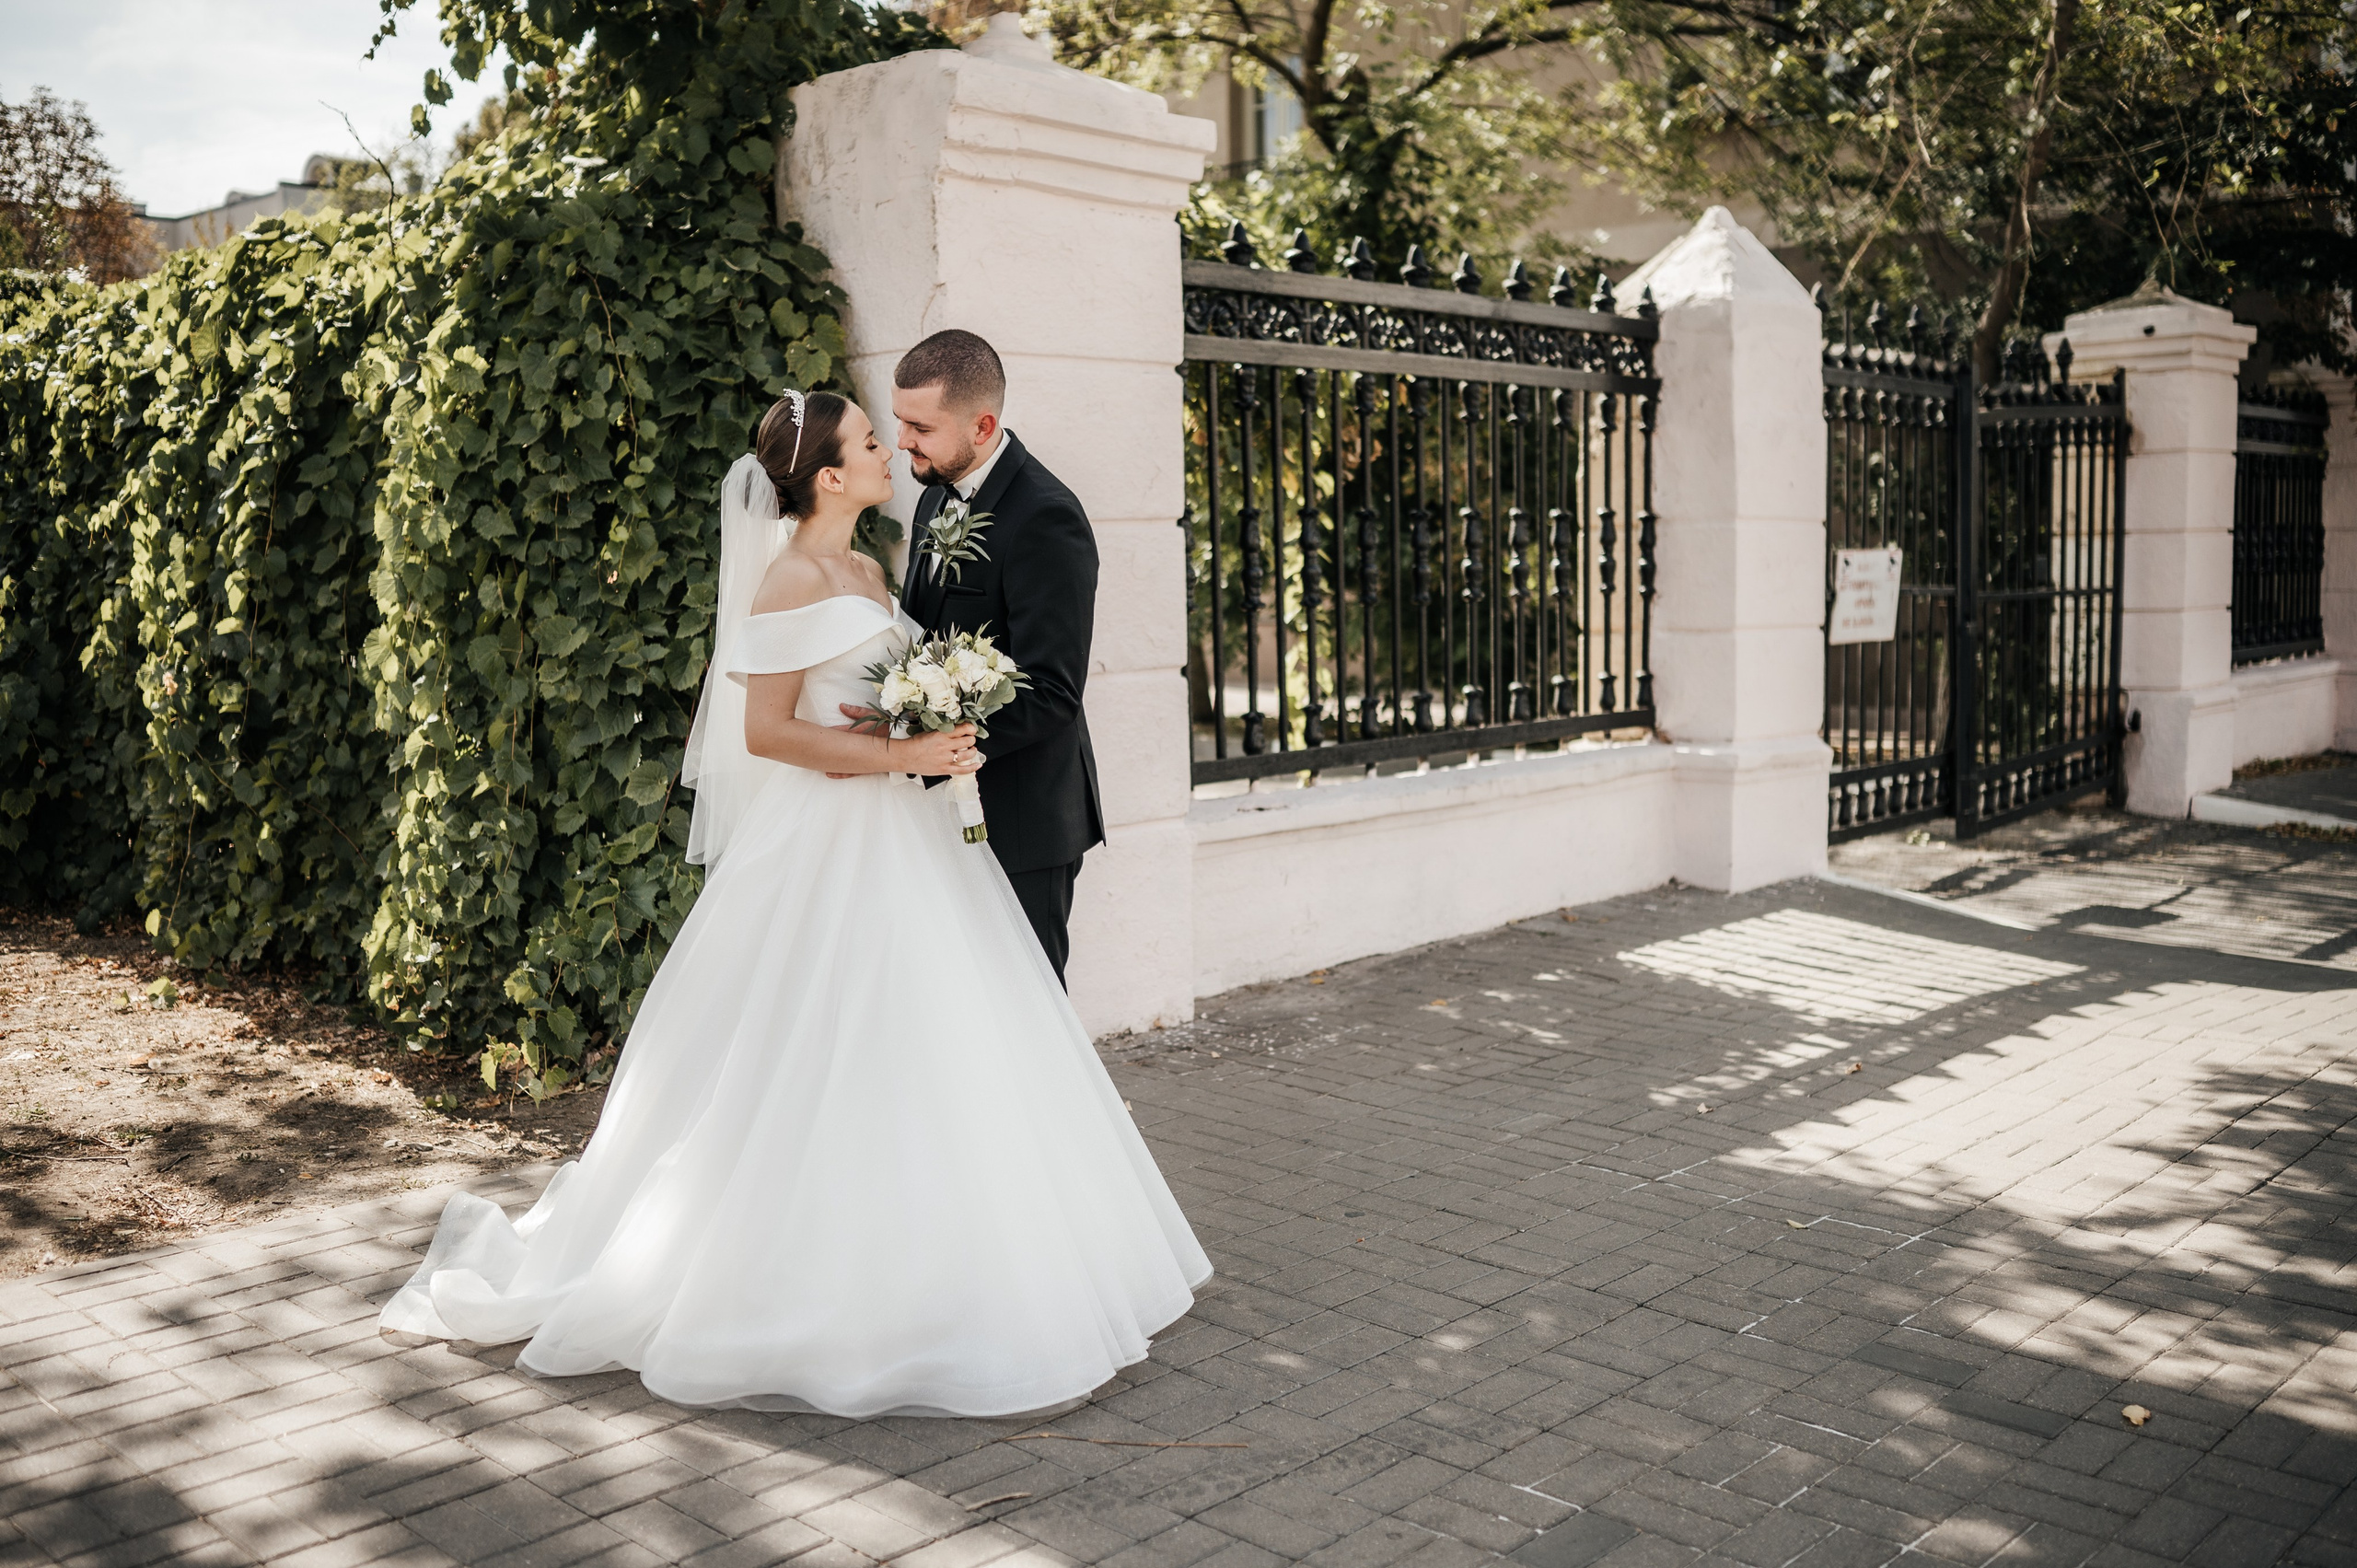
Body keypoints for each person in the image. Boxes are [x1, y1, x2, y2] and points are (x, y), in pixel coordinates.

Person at [377, 390, 1210, 1419]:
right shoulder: (789, 579)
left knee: (939, 1045)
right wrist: (899, 749)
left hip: (909, 833)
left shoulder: (868, 565)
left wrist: (927, 722)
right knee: (823, 1043)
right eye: (870, 441)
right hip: (832, 838)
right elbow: (767, 732)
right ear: (826, 476)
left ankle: (953, 1255)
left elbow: (893, 681)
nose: (888, 452)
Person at [868, 331, 1102, 985]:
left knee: (1027, 1009)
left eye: (920, 426)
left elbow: (1053, 690)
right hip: (937, 809)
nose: (902, 442)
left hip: (1022, 819)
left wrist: (934, 739)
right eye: (899, 422)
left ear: (983, 424)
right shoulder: (933, 496)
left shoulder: (1047, 516)